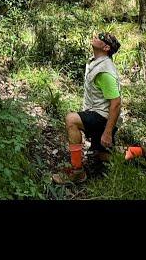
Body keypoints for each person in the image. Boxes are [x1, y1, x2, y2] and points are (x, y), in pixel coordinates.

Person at [52, 31, 122, 184]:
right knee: (102, 156)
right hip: (98, 113)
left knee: (71, 119)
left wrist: (107, 133)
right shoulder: (97, 62)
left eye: (101, 38)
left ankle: (77, 171)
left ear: (106, 48)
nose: (96, 37)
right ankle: (142, 152)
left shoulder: (105, 71)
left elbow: (116, 103)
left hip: (103, 117)